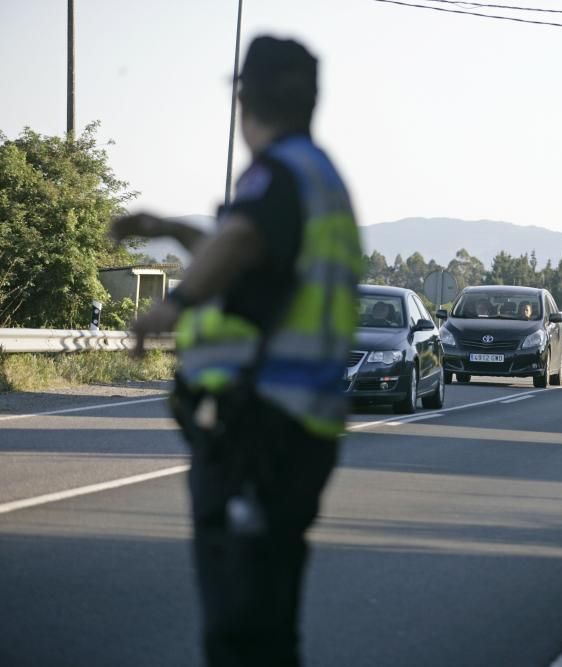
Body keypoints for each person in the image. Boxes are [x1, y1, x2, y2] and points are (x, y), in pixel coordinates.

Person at [109, 36, 362, 667]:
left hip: (258, 427)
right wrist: (170, 228)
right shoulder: (317, 178)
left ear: (243, 100)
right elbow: (246, 243)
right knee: (268, 620)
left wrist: (176, 304)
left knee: (238, 628)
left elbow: (243, 239)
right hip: (301, 429)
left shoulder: (278, 175)